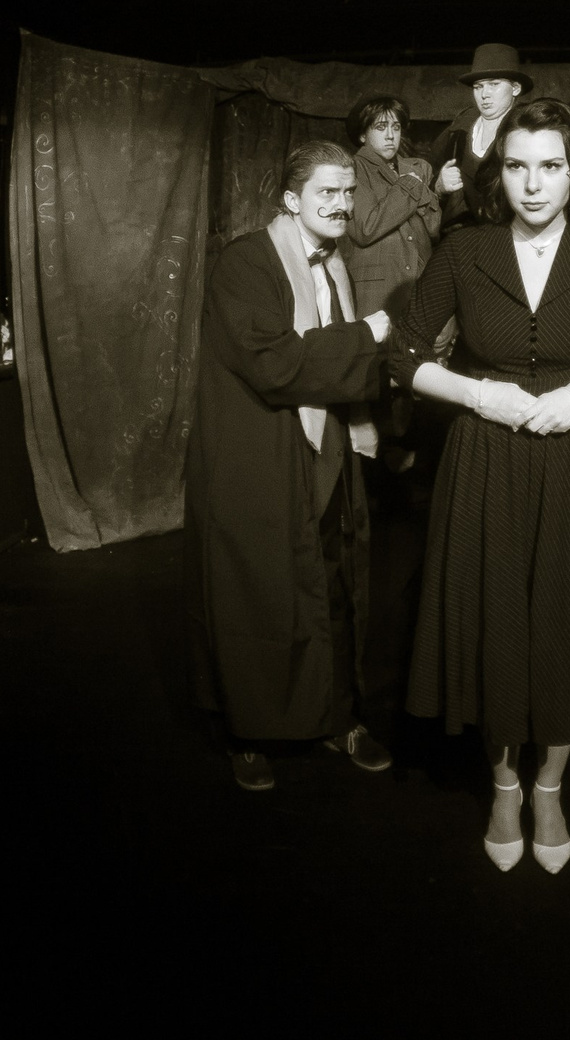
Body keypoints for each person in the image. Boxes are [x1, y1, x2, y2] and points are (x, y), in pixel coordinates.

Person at [391, 98, 570, 873]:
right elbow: (402, 355)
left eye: (549, 166)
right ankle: (503, 786)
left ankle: (549, 788)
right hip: (482, 457)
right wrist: (476, 393)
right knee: (495, 623)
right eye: (517, 166)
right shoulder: (464, 249)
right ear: (500, 173)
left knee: (560, 625)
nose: (532, 183)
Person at [183, 141, 395, 791]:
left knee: (331, 584)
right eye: (326, 192)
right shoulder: (247, 262)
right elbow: (273, 362)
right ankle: (247, 733)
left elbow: (329, 359)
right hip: (257, 449)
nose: (341, 204)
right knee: (255, 593)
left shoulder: (335, 264)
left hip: (327, 445)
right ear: (290, 199)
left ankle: (336, 718)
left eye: (348, 192)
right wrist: (371, 334)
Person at [340, 93, 439, 323]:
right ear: (363, 134)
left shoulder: (415, 168)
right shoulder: (352, 169)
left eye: (396, 127)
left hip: (418, 288)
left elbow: (434, 229)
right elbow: (365, 229)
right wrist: (409, 187)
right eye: (381, 127)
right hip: (376, 295)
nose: (390, 135)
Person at [424, 43, 532, 233]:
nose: (484, 94)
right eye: (478, 86)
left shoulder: (529, 128)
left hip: (513, 235)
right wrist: (439, 187)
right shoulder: (459, 129)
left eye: (494, 84)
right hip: (460, 236)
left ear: (515, 88)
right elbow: (427, 172)